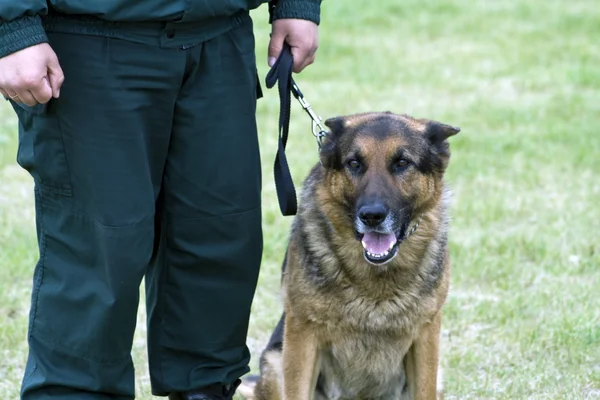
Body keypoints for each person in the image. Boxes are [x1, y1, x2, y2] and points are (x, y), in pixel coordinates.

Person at [0, 0, 321, 398]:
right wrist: (11, 27)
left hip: (219, 35)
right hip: (91, 37)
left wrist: (297, 4)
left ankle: (205, 389)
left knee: (219, 235)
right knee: (101, 253)